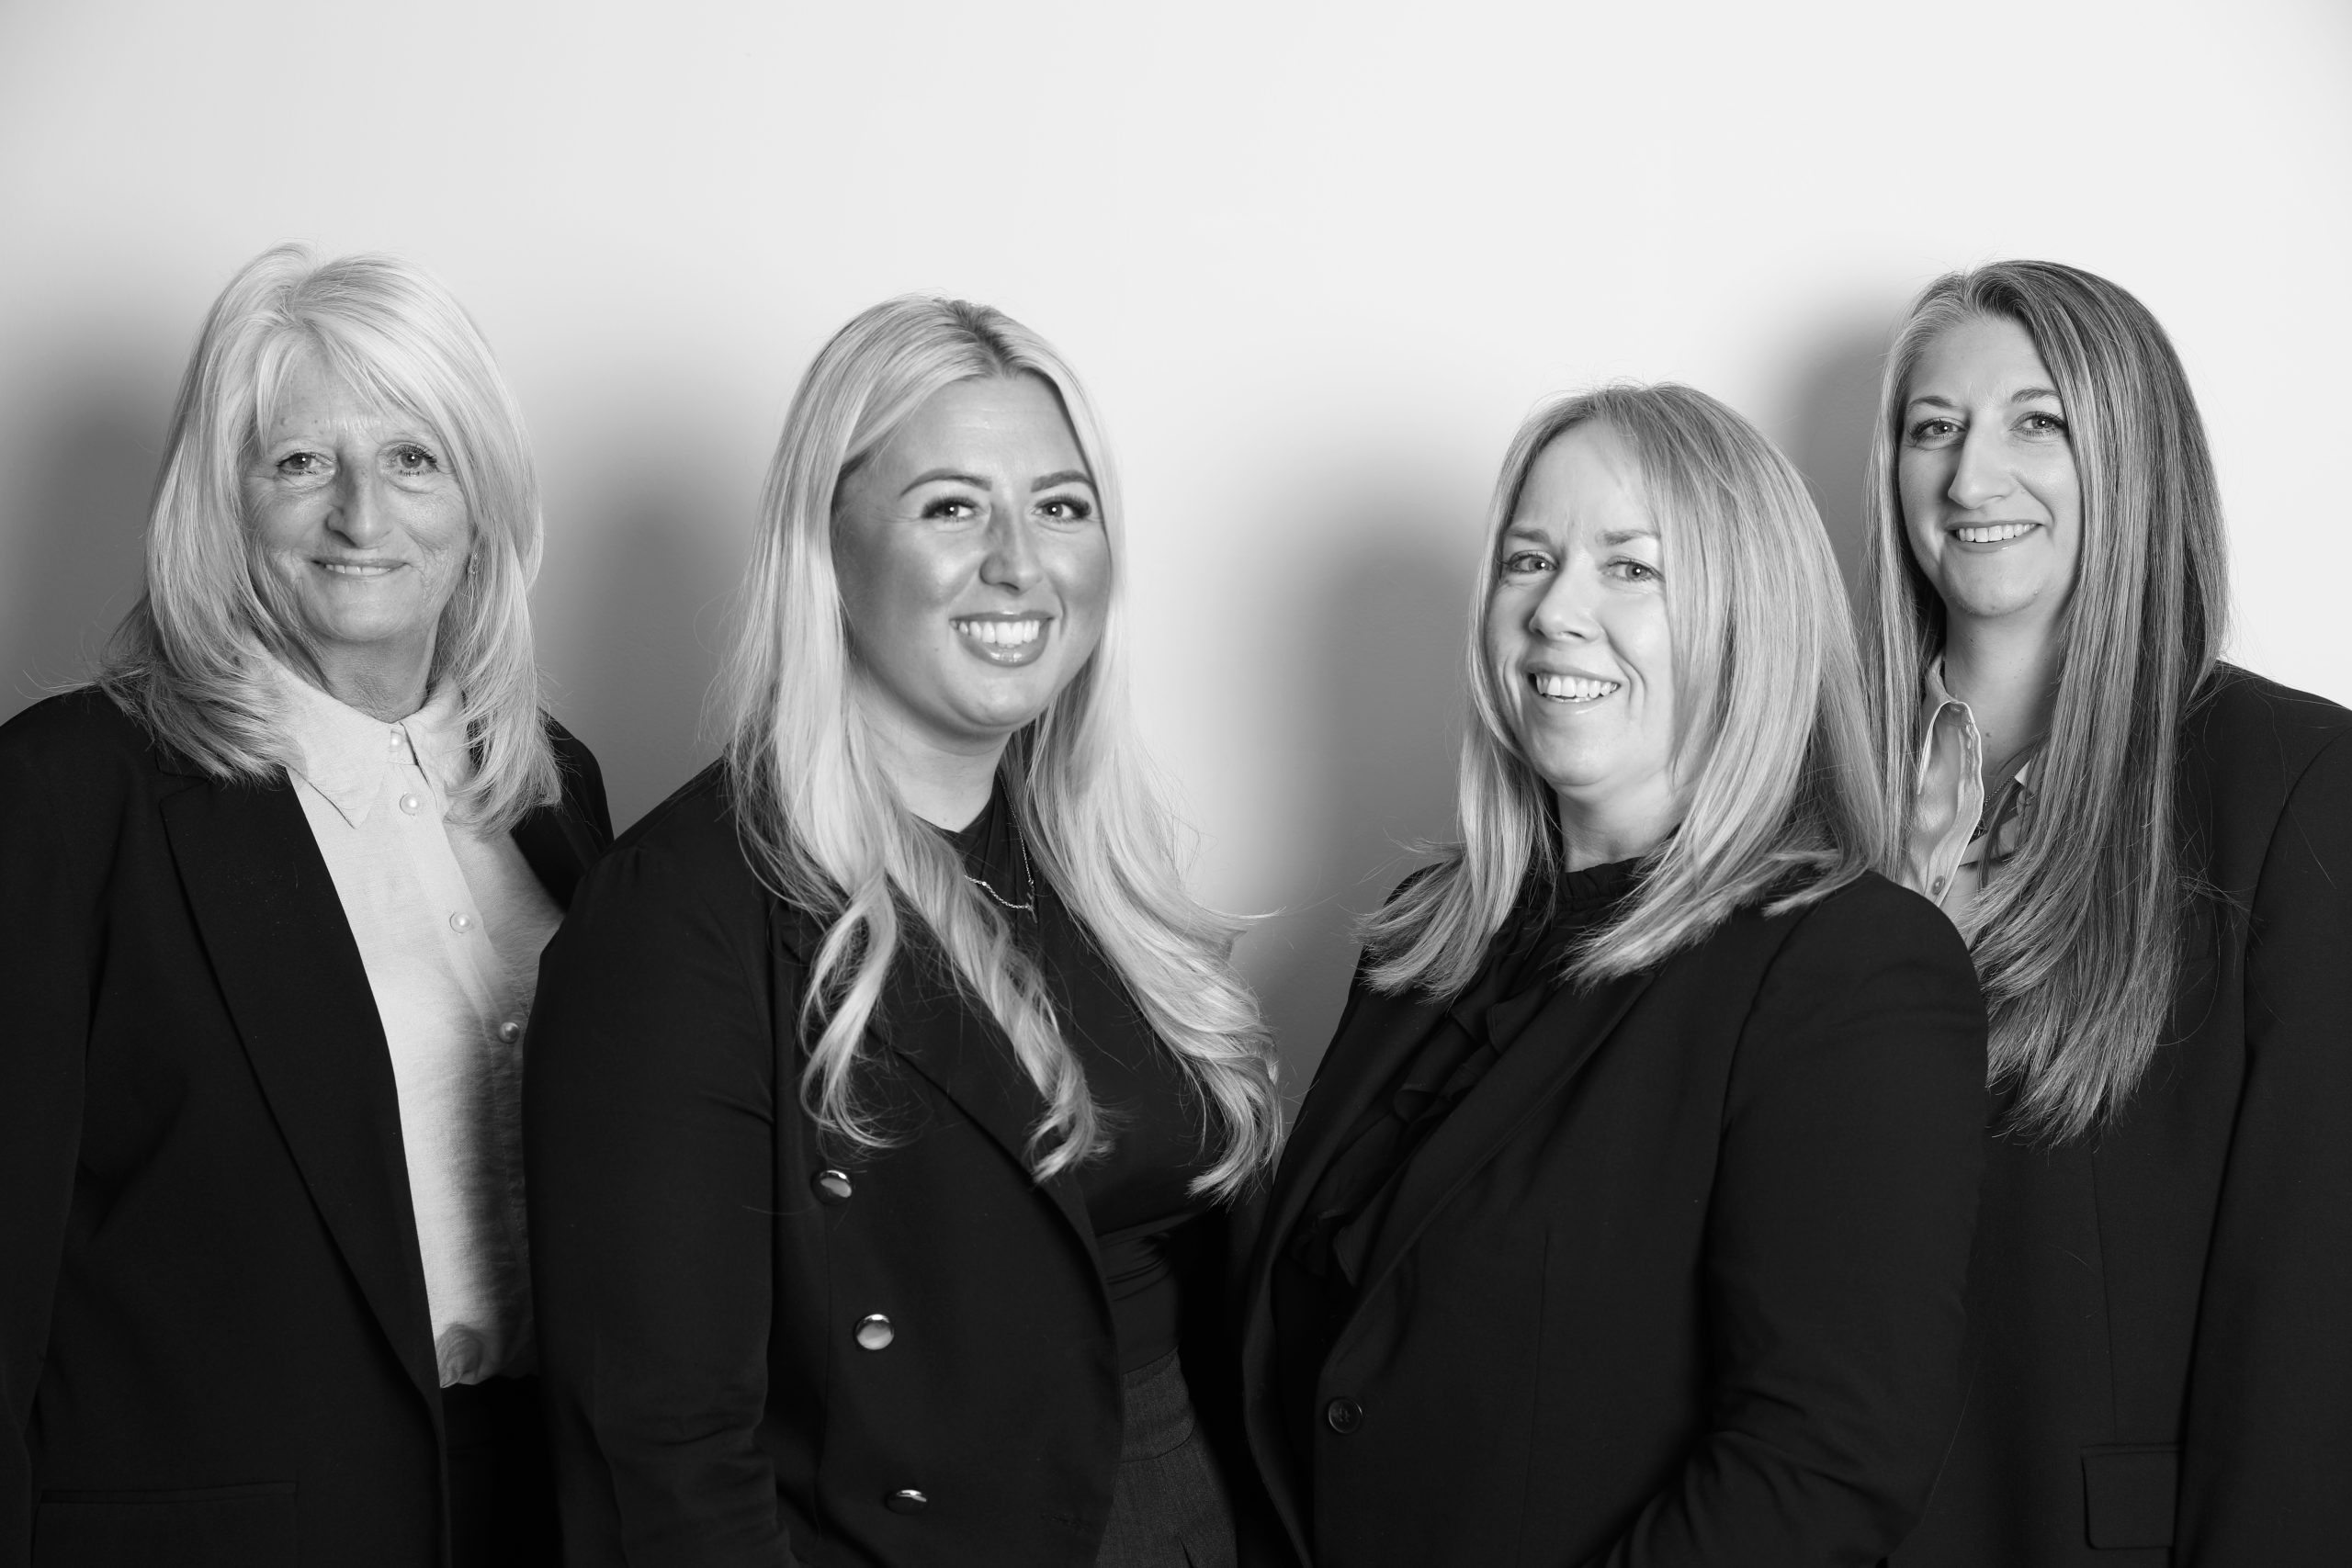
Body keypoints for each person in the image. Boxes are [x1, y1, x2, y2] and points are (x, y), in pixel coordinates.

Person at [526, 296, 1284, 1568]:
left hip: (1188, 1516)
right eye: (951, 507)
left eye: (1061, 506)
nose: (1020, 564)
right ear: (826, 550)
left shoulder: (1103, 872)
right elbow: (662, 1453)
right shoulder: (680, 911)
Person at [1238, 384, 1989, 1567]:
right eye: (1528, 561)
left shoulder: (1847, 967)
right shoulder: (1427, 937)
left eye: (1631, 568)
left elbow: (1821, 1471)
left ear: (1750, 622)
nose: (1555, 611)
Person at [0, 244, 610, 1566]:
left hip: (537, 1510)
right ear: (224, 506)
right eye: (299, 463)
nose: (361, 516)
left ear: (482, 501)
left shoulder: (554, 787)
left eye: (414, 459)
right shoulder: (67, 793)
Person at [1861, 259, 2352, 1565]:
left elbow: (2310, 1306)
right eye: (1934, 426)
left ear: (2132, 458)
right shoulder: (1806, 788)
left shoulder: (2288, 785)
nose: (1972, 476)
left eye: (2040, 422)